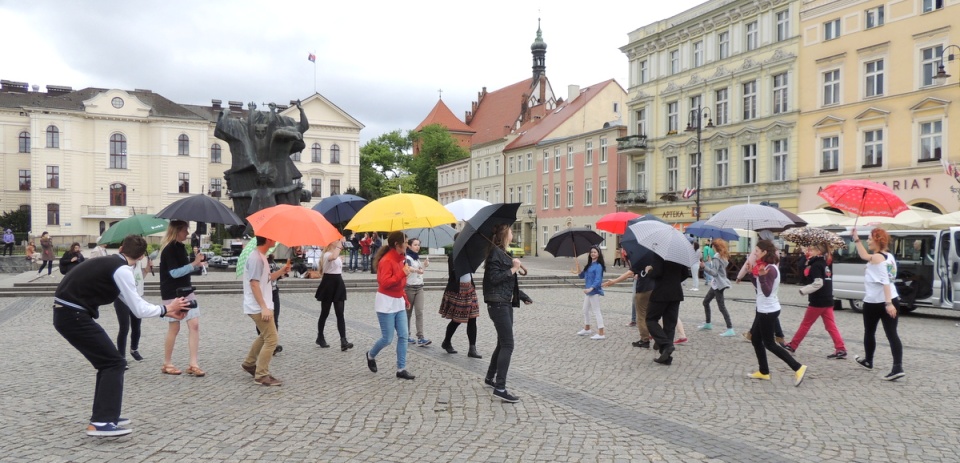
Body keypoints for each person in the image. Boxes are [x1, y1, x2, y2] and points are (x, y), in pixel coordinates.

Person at [53, 234, 189, 436]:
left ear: (121, 248)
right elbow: (139, 309)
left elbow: (129, 301)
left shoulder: (109, 263)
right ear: (142, 256)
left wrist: (167, 311)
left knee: (108, 363)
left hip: (67, 314)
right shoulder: (122, 270)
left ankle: (106, 416)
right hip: (72, 316)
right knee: (113, 363)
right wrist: (167, 307)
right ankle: (101, 422)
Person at [746, 240, 807, 386]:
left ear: (765, 252)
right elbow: (759, 288)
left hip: (768, 310)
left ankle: (798, 367)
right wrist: (750, 274)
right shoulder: (764, 267)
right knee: (755, 339)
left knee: (769, 344)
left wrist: (760, 277)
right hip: (762, 309)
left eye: (757, 251)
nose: (755, 253)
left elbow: (767, 292)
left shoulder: (771, 269)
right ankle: (764, 371)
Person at [483, 223, 533, 403]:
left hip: (504, 302)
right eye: (511, 231)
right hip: (498, 305)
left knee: (502, 342)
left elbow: (508, 283)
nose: (512, 233)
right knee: (508, 345)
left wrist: (523, 296)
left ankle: (490, 377)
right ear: (505, 234)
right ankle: (500, 387)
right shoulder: (495, 253)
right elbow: (494, 279)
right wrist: (513, 268)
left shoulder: (504, 253)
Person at [851, 228, 905, 381]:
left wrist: (856, 239)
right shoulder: (889, 256)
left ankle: (875, 362)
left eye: (869, 238)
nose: (867, 241)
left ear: (877, 240)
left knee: (870, 332)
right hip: (891, 298)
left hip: (877, 301)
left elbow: (885, 282)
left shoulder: (876, 257)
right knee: (891, 333)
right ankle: (895, 366)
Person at [365, 231, 416, 380]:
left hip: (398, 301)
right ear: (397, 244)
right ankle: (370, 354)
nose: (407, 245)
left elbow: (400, 284)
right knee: (387, 338)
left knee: (404, 335)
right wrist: (402, 273)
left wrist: (405, 298)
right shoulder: (386, 261)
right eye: (405, 242)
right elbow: (385, 282)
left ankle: (401, 368)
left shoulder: (402, 259)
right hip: (386, 302)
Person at [158, 221, 206, 377]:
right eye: (185, 230)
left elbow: (184, 270)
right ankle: (167, 363)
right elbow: (174, 273)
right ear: (177, 231)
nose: (187, 233)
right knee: (174, 327)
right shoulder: (169, 249)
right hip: (172, 293)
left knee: (195, 325)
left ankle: (193, 363)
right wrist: (194, 263)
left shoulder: (180, 247)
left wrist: (197, 264)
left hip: (186, 290)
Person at [784, 243, 847, 359]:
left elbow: (818, 282)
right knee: (831, 326)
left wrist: (804, 290)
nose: (810, 251)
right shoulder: (825, 264)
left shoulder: (816, 265)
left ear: (819, 252)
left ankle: (793, 345)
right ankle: (841, 348)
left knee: (805, 324)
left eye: (812, 249)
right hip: (827, 299)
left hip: (818, 300)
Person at [241, 236, 285, 386]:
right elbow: (254, 284)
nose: (275, 240)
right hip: (257, 306)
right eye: (273, 237)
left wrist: (282, 271)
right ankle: (261, 375)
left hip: (261, 304)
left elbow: (267, 278)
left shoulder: (261, 257)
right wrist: (264, 307)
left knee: (264, 336)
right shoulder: (256, 259)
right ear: (267, 239)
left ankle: (249, 363)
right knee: (272, 339)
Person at [439, 233, 482, 358]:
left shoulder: (469, 254)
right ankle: (446, 341)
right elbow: (456, 271)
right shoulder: (454, 255)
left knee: (472, 318)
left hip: (469, 288)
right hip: (458, 290)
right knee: (457, 319)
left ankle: (472, 348)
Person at [643, 254, 689, 365]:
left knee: (650, 319)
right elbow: (685, 274)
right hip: (675, 292)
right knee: (670, 324)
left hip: (661, 292)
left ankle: (666, 345)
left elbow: (657, 273)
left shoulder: (659, 254)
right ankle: (666, 355)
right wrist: (674, 280)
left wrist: (649, 270)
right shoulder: (679, 255)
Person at [603, 251, 655, 349]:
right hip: (653, 288)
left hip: (643, 289)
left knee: (641, 316)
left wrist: (614, 281)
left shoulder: (640, 257)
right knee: (651, 315)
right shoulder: (654, 255)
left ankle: (644, 340)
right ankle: (657, 337)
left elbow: (629, 272)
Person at [315, 240, 354, 351]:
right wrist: (339, 247)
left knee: (340, 313)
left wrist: (339, 257)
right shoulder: (327, 254)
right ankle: (320, 336)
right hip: (328, 283)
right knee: (325, 313)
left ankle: (343, 340)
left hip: (338, 282)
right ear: (331, 243)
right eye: (336, 241)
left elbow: (335, 259)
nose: (339, 243)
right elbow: (332, 257)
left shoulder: (335, 254)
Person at [116, 251, 152, 364]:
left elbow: (139, 278)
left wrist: (147, 269)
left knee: (137, 326)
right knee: (124, 327)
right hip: (123, 299)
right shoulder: (124, 266)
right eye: (140, 254)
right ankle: (121, 356)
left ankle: (134, 349)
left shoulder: (138, 264)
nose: (142, 256)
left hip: (137, 297)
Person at [699, 238, 735, 337]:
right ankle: (708, 323)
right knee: (706, 302)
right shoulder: (722, 256)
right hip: (717, 284)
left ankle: (730, 328)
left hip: (718, 284)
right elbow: (718, 270)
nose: (712, 248)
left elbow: (714, 273)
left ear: (715, 247)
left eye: (712, 246)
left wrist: (704, 267)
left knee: (721, 307)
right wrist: (711, 263)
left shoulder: (716, 257)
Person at [259, 253, 291, 354]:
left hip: (274, 291)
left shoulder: (272, 261)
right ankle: (266, 342)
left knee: (275, 318)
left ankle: (273, 343)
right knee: (263, 319)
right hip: (264, 292)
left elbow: (276, 277)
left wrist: (283, 273)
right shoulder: (260, 261)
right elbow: (266, 278)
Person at [404, 238, 432, 347]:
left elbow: (420, 271)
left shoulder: (417, 258)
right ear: (409, 246)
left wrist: (424, 265)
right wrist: (416, 270)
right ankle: (406, 335)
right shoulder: (407, 258)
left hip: (419, 287)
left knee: (419, 312)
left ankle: (420, 337)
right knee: (408, 313)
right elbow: (408, 268)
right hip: (409, 288)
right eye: (415, 245)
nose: (417, 247)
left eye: (418, 245)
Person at [576, 245, 607, 340]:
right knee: (585, 310)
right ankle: (587, 328)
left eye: (595, 252)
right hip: (588, 292)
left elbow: (598, 280)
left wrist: (591, 288)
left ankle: (601, 333)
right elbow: (582, 276)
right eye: (591, 252)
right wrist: (579, 270)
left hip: (594, 291)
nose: (593, 253)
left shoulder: (598, 266)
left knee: (596, 311)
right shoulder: (589, 265)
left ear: (598, 254)